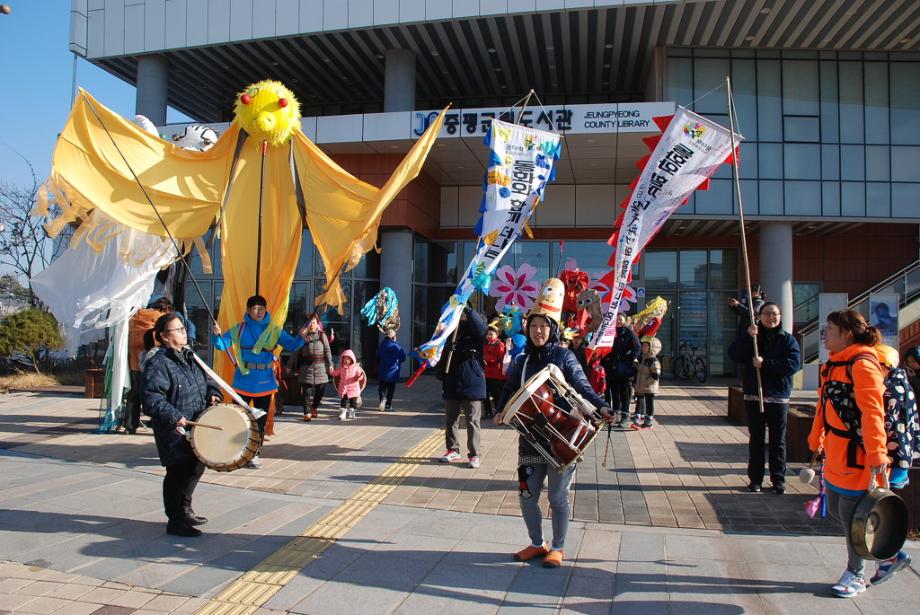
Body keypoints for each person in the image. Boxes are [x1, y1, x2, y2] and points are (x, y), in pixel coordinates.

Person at [494, 278, 612, 568]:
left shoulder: (564, 355)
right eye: (534, 325)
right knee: (526, 494)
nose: (538, 331)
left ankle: (558, 547)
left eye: (544, 326)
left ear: (553, 329)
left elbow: (583, 386)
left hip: (562, 439)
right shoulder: (521, 360)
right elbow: (509, 390)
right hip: (529, 440)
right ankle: (537, 543)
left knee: (558, 497)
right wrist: (499, 411)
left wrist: (602, 406)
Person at [808, 309, 887, 598]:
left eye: (830, 329)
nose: (824, 334)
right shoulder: (833, 364)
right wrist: (815, 437)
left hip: (858, 457)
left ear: (847, 333)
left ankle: (856, 574)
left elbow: (873, 413)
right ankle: (890, 556)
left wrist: (878, 456)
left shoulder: (863, 364)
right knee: (842, 513)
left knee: (853, 517)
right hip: (836, 454)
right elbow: (823, 405)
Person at [143, 313, 222, 537]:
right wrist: (174, 416)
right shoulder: (158, 362)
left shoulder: (191, 356)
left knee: (196, 467)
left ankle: (185, 509)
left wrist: (213, 395)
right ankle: (175, 520)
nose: (183, 332)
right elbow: (152, 399)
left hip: (196, 425)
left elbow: (209, 381)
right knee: (178, 472)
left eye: (183, 328)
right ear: (164, 337)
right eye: (177, 329)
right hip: (174, 428)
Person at [213, 295, 304, 469]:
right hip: (242, 381)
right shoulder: (239, 329)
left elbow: (292, 345)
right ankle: (237, 451)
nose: (259, 312)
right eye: (255, 308)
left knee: (260, 421)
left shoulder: (274, 330)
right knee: (238, 419)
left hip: (264, 382)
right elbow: (221, 345)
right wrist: (217, 335)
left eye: (262, 308)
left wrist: (301, 336)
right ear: (248, 310)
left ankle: (254, 453)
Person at [728, 302, 801, 494]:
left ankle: (778, 480)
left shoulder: (787, 340)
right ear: (760, 316)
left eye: (775, 314)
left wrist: (766, 364)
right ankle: (755, 480)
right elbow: (734, 354)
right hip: (754, 394)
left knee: (778, 440)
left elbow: (793, 364)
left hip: (778, 396)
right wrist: (747, 336)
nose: (772, 317)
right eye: (767, 314)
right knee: (756, 439)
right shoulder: (753, 337)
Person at [867, 344, 917, 585]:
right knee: (880, 510)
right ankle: (890, 557)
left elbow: (882, 426)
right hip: (902, 459)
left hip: (891, 461)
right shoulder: (903, 383)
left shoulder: (888, 390)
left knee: (878, 512)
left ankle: (891, 556)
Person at [438, 306, 488, 469]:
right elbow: (441, 354)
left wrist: (466, 309)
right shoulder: (451, 333)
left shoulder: (476, 333)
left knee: (472, 420)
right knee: (450, 419)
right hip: (452, 382)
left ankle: (474, 454)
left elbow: (481, 327)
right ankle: (452, 449)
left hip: (472, 382)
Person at [125, 297, 173, 433]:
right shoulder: (160, 318)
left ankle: (129, 425)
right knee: (156, 393)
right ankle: (156, 422)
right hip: (152, 362)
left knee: (134, 394)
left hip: (135, 362)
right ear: (166, 308)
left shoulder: (135, 316)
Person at [286, 312, 334, 421]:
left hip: (320, 367)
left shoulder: (322, 335)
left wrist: (330, 364)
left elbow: (327, 350)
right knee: (306, 392)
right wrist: (289, 365)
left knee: (320, 390)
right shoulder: (302, 337)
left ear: (317, 324)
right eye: (310, 323)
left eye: (314, 322)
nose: (311, 325)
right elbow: (295, 352)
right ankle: (306, 413)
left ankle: (314, 407)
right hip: (306, 368)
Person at [600, 313, 641, 428]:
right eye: (616, 319)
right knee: (615, 393)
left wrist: (628, 358)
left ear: (625, 320)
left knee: (625, 394)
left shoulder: (629, 333)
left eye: (620, 319)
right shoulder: (609, 332)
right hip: (611, 369)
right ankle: (615, 416)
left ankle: (625, 417)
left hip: (625, 370)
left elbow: (638, 348)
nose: (618, 321)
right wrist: (605, 362)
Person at [632, 337, 662, 429]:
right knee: (639, 401)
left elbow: (655, 375)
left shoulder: (654, 361)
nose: (643, 348)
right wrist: (635, 364)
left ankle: (648, 421)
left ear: (652, 348)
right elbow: (640, 370)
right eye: (643, 346)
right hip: (641, 386)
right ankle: (637, 420)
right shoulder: (642, 358)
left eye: (645, 346)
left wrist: (646, 383)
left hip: (649, 387)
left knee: (649, 403)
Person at [376, 328, 406, 412]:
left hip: (383, 370)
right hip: (393, 371)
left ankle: (383, 398)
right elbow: (403, 358)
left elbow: (377, 356)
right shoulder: (397, 346)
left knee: (382, 387)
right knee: (391, 388)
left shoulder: (382, 346)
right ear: (394, 337)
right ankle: (388, 405)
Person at [332, 349, 366, 420]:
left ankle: (352, 412)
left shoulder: (356, 368)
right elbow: (336, 373)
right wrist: (331, 372)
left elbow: (360, 376)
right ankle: (343, 413)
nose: (346, 360)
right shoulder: (341, 368)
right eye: (344, 359)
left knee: (353, 402)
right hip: (344, 388)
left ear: (352, 359)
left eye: (348, 359)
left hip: (353, 388)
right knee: (343, 401)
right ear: (342, 359)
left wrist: (359, 376)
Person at [483, 323, 507, 419]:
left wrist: (489, 359)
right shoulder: (485, 345)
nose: (489, 336)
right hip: (486, 374)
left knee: (496, 394)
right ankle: (487, 412)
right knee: (485, 394)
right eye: (488, 334)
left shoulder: (500, 345)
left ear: (497, 335)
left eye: (491, 334)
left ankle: (498, 412)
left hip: (496, 374)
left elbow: (501, 359)